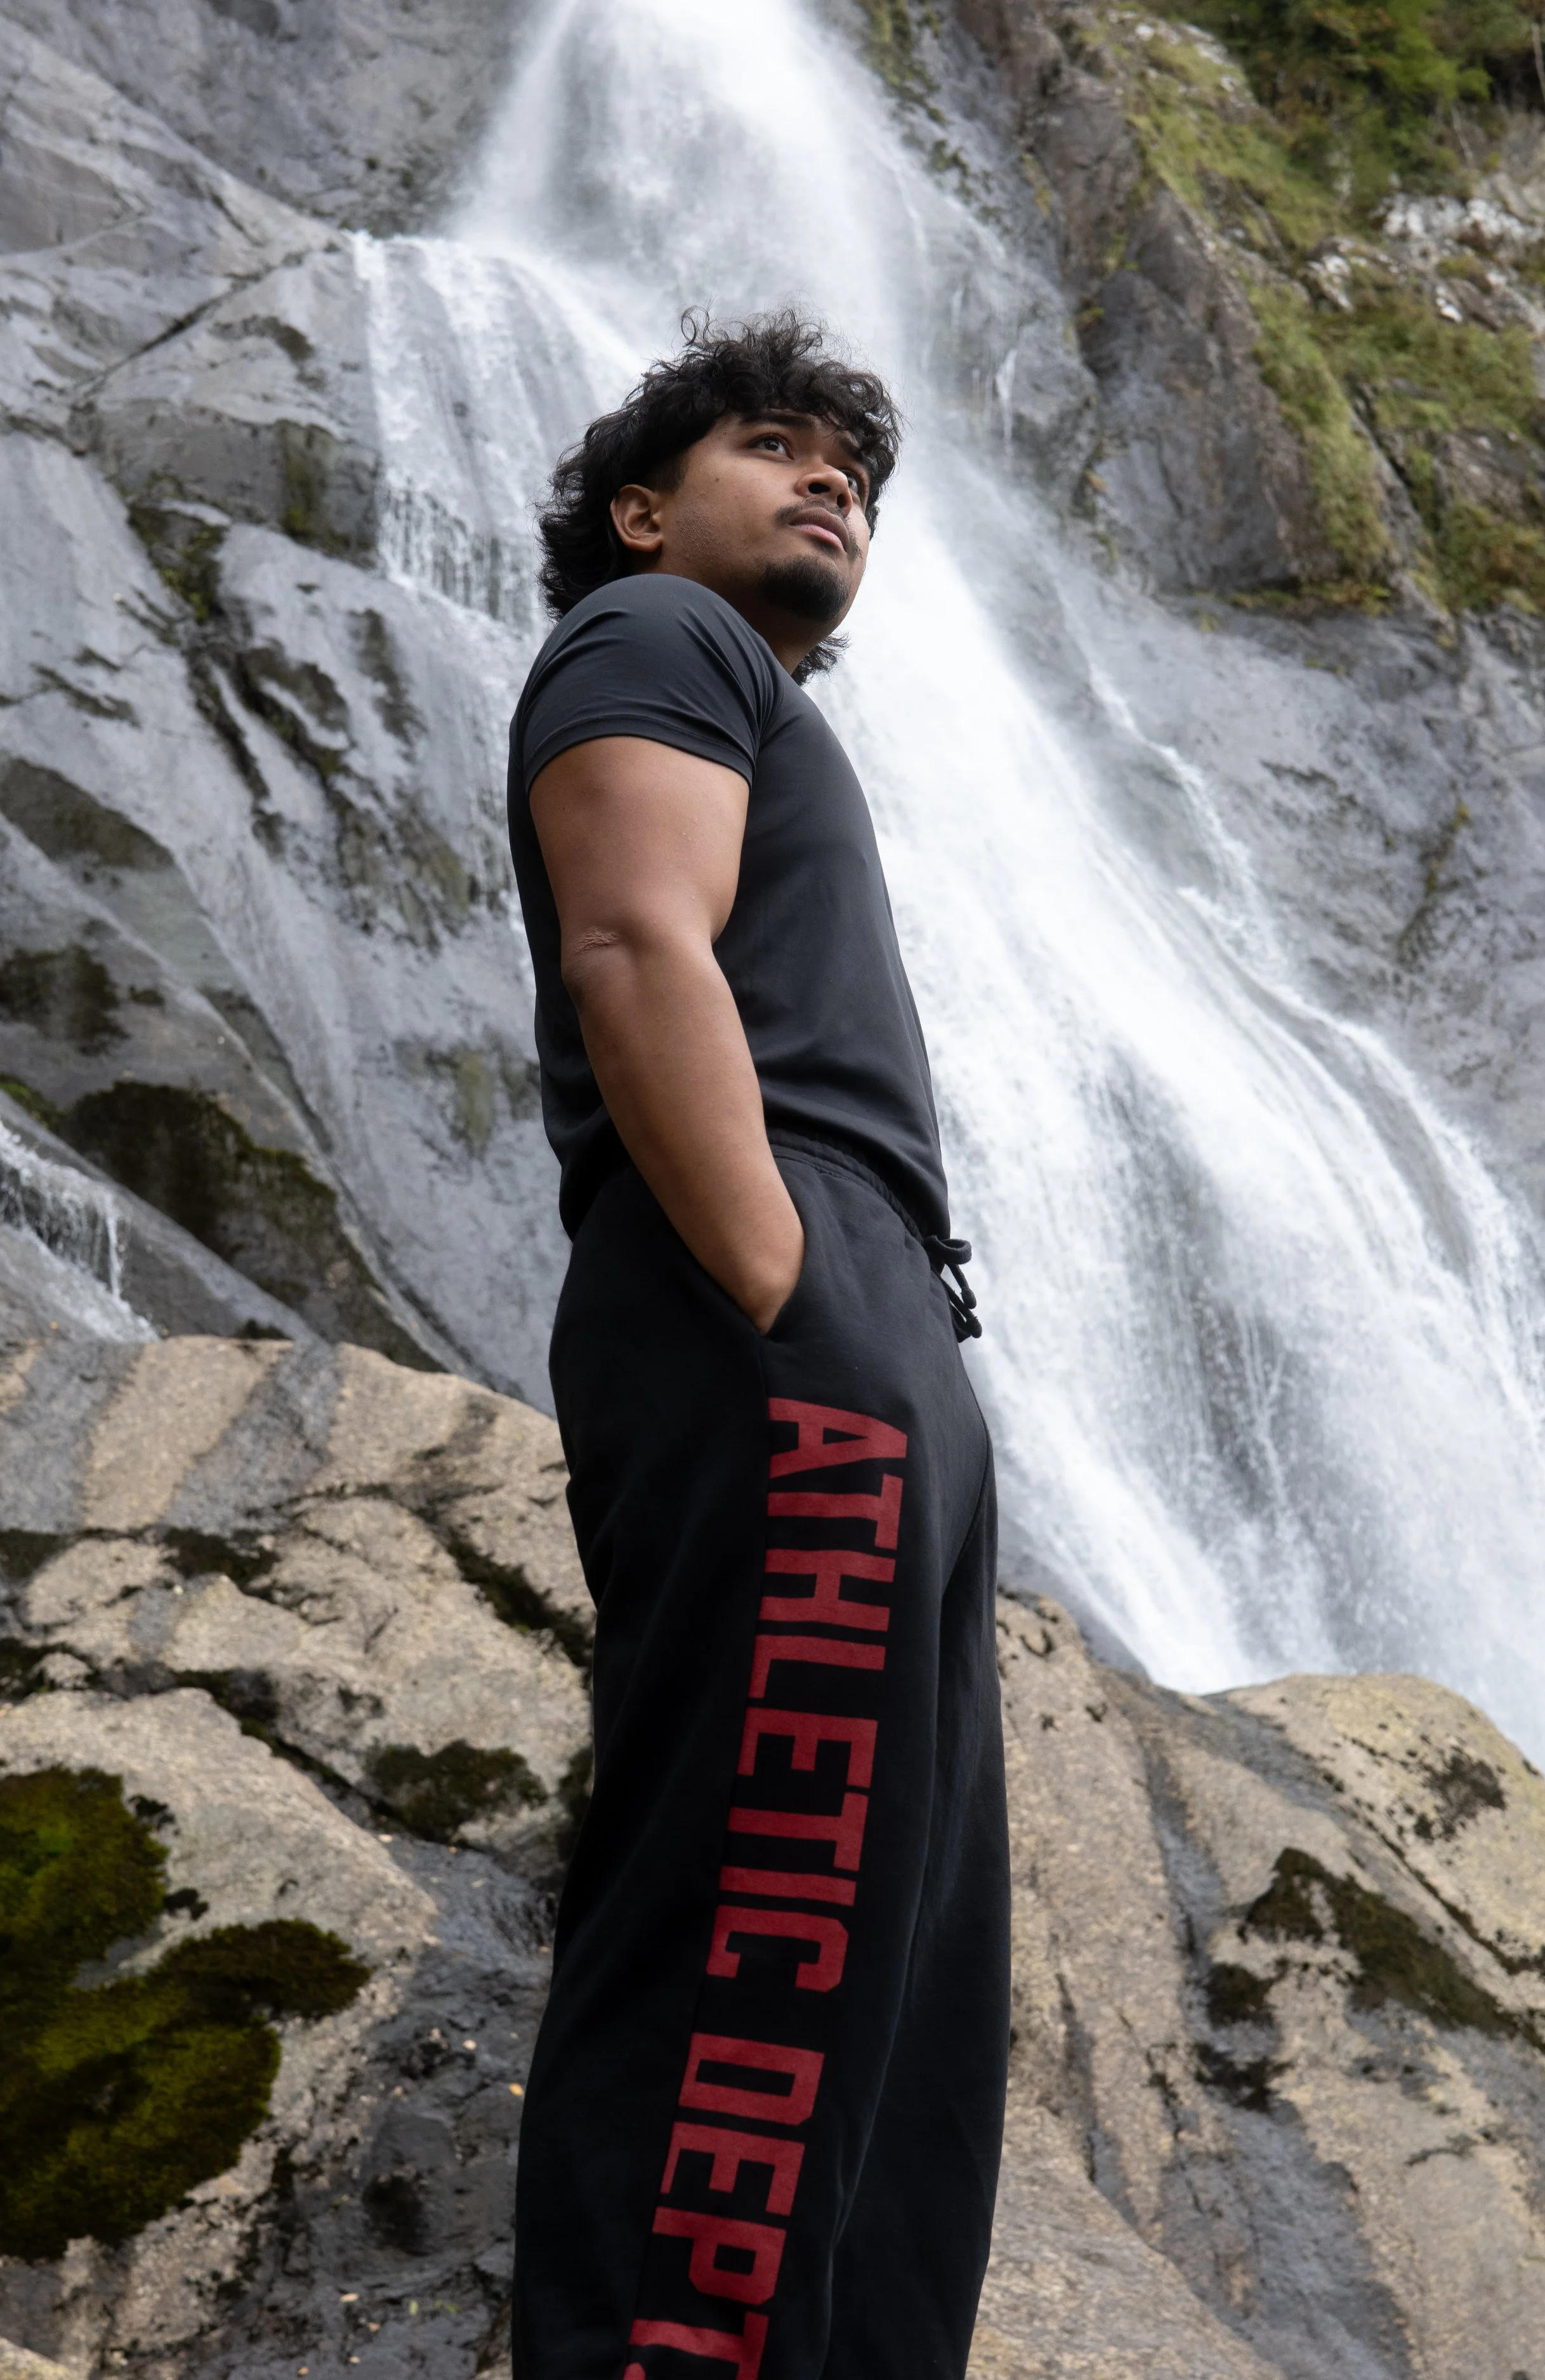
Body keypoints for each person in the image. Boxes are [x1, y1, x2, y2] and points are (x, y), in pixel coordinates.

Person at [506, 310, 1009, 2380]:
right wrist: (791, 1293)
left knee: (902, 1975)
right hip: (780, 1287)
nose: (833, 488)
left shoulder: (761, 703)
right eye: (777, 447)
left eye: (859, 478)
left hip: (867, 1299)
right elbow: (635, 940)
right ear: (642, 509)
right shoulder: (655, 637)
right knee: (764, 1922)